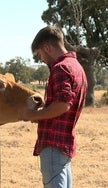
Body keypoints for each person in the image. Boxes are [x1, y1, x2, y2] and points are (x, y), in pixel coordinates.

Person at [23, 25, 88, 188]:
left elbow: (63, 105)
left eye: (40, 54)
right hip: (64, 143)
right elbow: (65, 105)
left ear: (47, 47)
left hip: (53, 144)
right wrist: (45, 109)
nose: (42, 59)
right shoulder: (76, 67)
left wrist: (33, 115)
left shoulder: (60, 68)